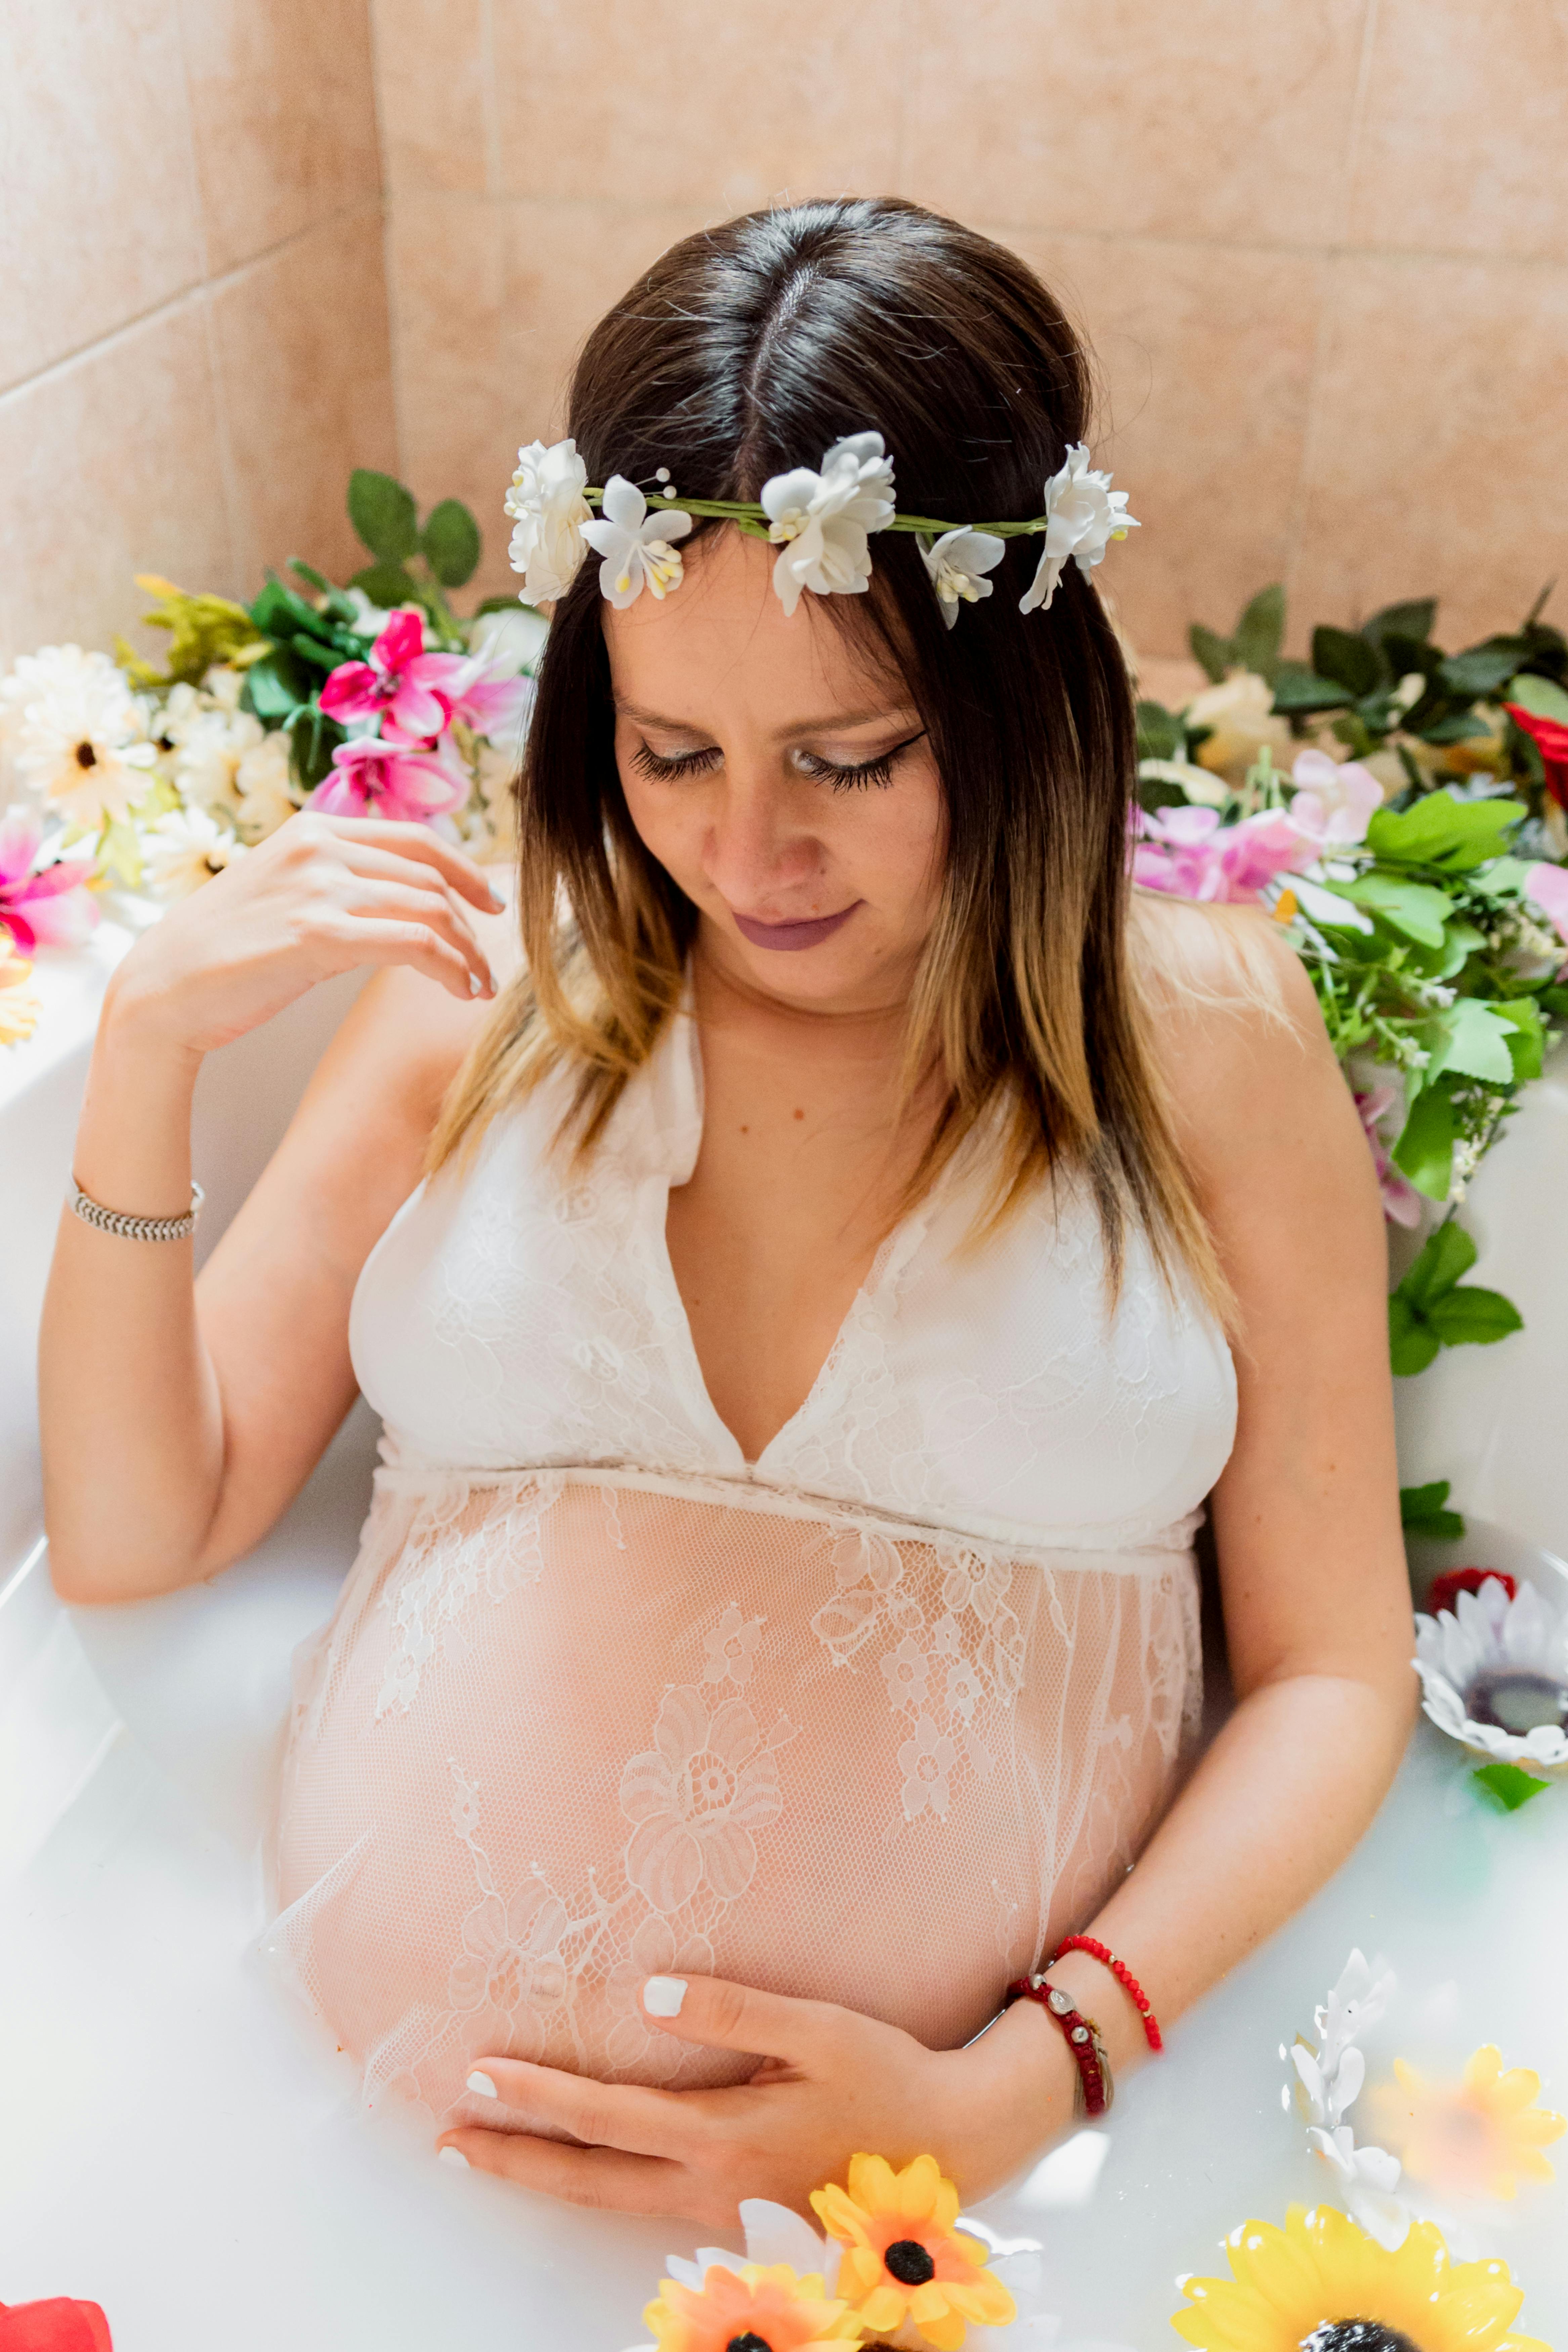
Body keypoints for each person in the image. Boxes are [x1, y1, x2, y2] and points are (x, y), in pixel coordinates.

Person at [39, 197, 1414, 2227]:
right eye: (672, 751)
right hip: (339, 2188)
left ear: (1015, 709)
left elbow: (1330, 1671)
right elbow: (146, 1530)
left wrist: (1024, 2087)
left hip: (975, 2233)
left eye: (847, 760)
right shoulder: (489, 992)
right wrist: (149, 1044)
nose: (746, 849)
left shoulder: (1205, 1039)